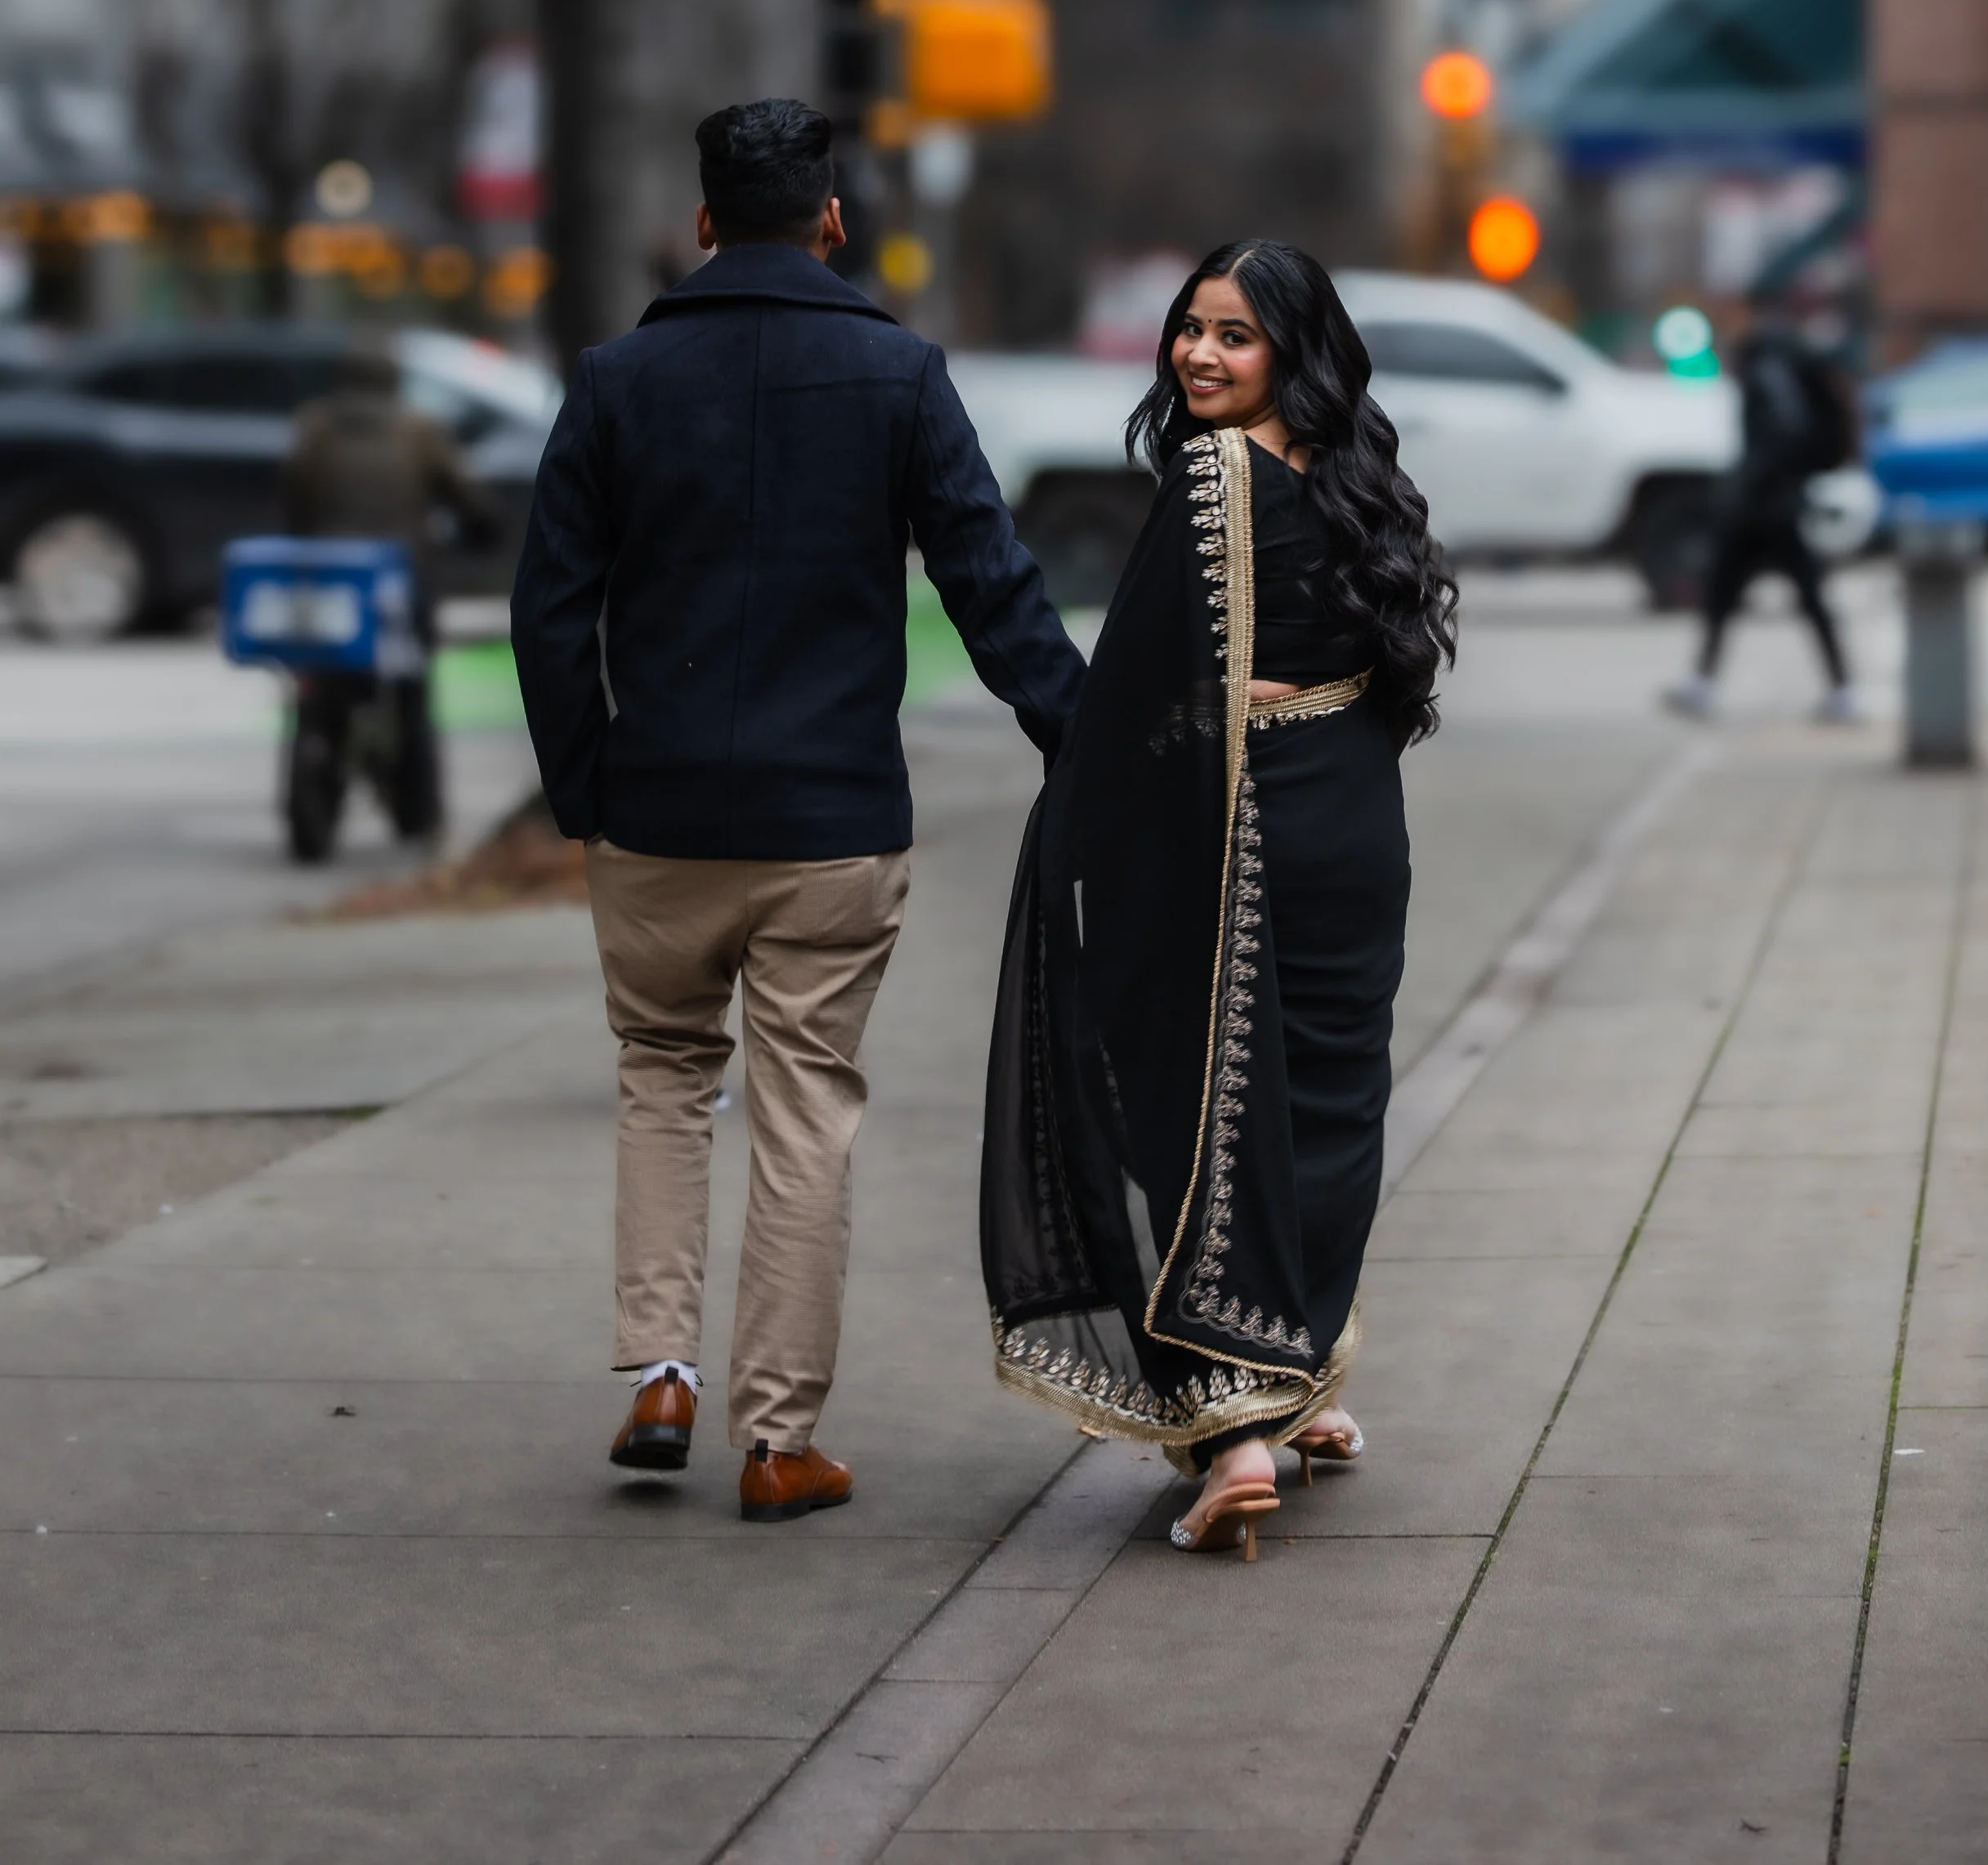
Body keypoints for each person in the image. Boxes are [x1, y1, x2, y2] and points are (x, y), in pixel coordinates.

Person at [511, 99, 1086, 1520]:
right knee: (805, 1110)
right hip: (832, 820)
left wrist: (587, 782)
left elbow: (547, 610)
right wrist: (1080, 739)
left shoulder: (616, 380)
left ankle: (659, 1372)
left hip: (653, 816)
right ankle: (777, 1440)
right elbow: (988, 579)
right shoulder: (898, 376)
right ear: (830, 222)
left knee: (660, 1073)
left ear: (701, 225)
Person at [981, 239, 1456, 1562]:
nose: (1198, 355)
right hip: (1357, 831)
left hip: (1240, 835)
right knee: (1328, 1107)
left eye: (1233, 336)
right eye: (1191, 329)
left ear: (1290, 352)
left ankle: (1232, 1425)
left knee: (1198, 1114)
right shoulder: (1366, 475)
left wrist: (1126, 768)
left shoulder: (1214, 474)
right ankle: (1300, 1388)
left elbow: (1135, 693)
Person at [281, 343, 499, 841]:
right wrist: (485, 528)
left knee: (316, 684)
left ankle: (317, 781)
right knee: (413, 694)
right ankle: (419, 810)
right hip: (399, 582)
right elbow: (465, 497)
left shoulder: (315, 429)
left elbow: (294, 497)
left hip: (329, 579)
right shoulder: (418, 430)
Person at [1664, 314, 1858, 722]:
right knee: (1741, 594)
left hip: (1765, 509)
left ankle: (1842, 689)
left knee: (1754, 595)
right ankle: (1842, 689)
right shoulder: (1780, 361)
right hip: (1774, 504)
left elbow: (1784, 427)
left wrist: (1749, 482)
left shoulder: (1765, 368)